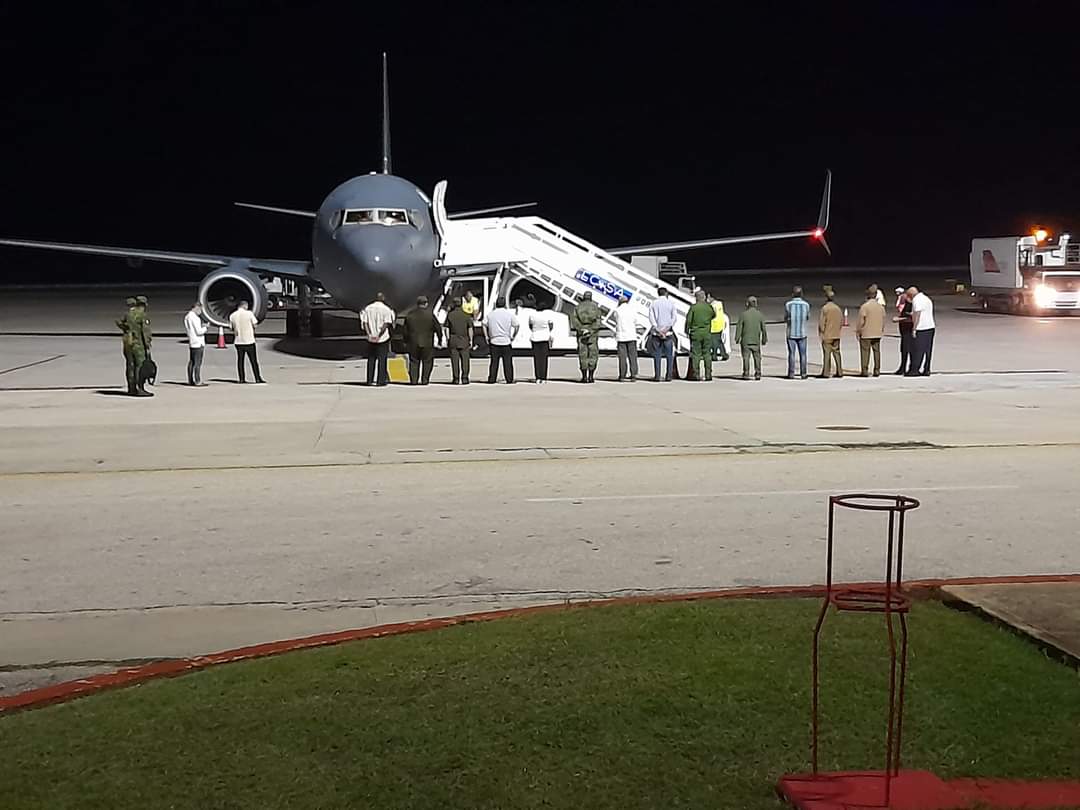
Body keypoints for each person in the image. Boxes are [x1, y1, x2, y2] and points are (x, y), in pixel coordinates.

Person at [117, 295, 153, 396]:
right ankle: (140, 388)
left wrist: (126, 329)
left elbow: (119, 322)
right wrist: (147, 344)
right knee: (140, 366)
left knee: (130, 366)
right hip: (138, 345)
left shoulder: (128, 315)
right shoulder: (142, 315)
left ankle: (131, 388)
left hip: (128, 344)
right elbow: (145, 332)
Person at [403, 296, 441, 385]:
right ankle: (425, 380)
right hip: (427, 342)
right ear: (426, 304)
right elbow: (438, 328)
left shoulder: (410, 315)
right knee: (427, 361)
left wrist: (405, 341)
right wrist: (440, 338)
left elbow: (405, 330)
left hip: (413, 342)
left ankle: (414, 380)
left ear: (417, 304)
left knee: (414, 361)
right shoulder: (430, 315)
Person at [361, 292, 396, 386]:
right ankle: (380, 381)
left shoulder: (368, 308)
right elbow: (386, 324)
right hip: (382, 338)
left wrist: (369, 334)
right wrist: (379, 335)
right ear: (383, 299)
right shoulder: (386, 309)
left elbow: (365, 323)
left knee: (371, 359)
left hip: (371, 338)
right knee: (382, 360)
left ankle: (369, 380)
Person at [570, 290, 602, 383]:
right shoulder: (596, 307)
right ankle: (591, 376)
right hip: (593, 334)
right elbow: (598, 321)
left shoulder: (577, 307)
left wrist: (581, 329)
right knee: (593, 354)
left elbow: (574, 321)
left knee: (582, 354)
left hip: (581, 334)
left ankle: (584, 376)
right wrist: (591, 330)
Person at [484, 296, 519, 383]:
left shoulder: (490, 314)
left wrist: (486, 336)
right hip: (506, 341)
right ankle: (509, 379)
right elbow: (517, 325)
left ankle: (492, 379)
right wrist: (513, 336)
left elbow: (484, 324)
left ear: (496, 304)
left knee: (494, 362)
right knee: (507, 362)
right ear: (504, 304)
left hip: (494, 341)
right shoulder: (509, 314)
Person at [229, 300, 264, 384]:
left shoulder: (232, 315)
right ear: (245, 306)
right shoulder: (249, 314)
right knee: (253, 361)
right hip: (249, 340)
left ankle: (241, 378)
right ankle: (257, 378)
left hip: (238, 341)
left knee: (240, 361)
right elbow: (255, 324)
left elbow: (231, 328)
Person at [734, 296, 767, 380]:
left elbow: (739, 327)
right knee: (757, 358)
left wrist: (737, 338)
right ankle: (758, 373)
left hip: (746, 341)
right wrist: (764, 339)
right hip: (756, 340)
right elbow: (763, 328)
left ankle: (746, 373)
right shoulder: (759, 315)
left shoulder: (743, 315)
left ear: (747, 304)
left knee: (746, 358)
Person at [648, 287, 677, 382]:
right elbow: (674, 318)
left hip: (656, 334)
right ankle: (668, 376)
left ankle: (657, 376)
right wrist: (666, 329)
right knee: (669, 356)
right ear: (666, 293)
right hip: (668, 333)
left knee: (657, 356)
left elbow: (652, 319)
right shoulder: (671, 303)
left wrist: (658, 330)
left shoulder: (653, 303)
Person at [685, 290, 714, 381]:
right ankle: (708, 374)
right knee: (707, 354)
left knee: (696, 355)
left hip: (695, 333)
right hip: (706, 333)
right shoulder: (709, 307)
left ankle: (696, 374)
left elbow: (689, 320)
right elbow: (713, 315)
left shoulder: (693, 308)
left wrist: (687, 330)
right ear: (704, 297)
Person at [906, 286, 936, 376]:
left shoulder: (916, 300)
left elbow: (917, 314)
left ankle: (914, 370)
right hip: (930, 326)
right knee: (927, 350)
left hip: (921, 328)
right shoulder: (926, 298)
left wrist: (914, 328)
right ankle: (927, 369)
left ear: (911, 295)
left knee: (917, 350)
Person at [857, 285, 886, 377]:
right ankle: (877, 370)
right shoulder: (881, 307)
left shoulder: (865, 307)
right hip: (877, 333)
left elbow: (861, 321)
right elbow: (883, 320)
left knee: (865, 352)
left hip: (866, 333)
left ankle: (865, 370)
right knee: (877, 352)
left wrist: (858, 331)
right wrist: (881, 330)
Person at [444, 297, 473, 384]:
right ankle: (465, 378)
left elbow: (446, 328)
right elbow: (470, 329)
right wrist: (471, 339)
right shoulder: (466, 315)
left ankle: (456, 378)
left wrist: (448, 338)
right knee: (465, 360)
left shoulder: (450, 315)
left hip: (453, 340)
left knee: (454, 361)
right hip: (464, 340)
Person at [784, 286, 811, 379]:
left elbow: (786, 317)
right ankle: (803, 373)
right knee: (803, 354)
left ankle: (791, 373)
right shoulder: (806, 305)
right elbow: (807, 317)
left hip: (791, 333)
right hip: (802, 333)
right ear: (801, 294)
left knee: (791, 354)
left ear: (793, 294)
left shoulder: (788, 305)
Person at [818, 292, 843, 379]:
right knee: (837, 353)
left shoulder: (825, 308)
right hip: (836, 334)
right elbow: (841, 321)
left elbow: (822, 323)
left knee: (827, 354)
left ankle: (826, 372)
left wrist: (821, 332)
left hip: (827, 334)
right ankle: (839, 371)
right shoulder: (838, 308)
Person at [614, 293, 638, 381]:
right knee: (633, 357)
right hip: (631, 335)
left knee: (622, 357)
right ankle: (633, 375)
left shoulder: (617, 310)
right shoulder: (632, 309)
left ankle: (622, 375)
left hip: (621, 336)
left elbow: (616, 320)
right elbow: (635, 320)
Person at [528, 303, 554, 383]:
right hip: (545, 338)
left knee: (537, 359)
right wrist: (547, 330)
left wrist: (535, 330)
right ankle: (544, 377)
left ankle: (538, 377)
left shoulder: (532, 315)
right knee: (544, 359)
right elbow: (551, 325)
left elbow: (530, 325)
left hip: (535, 337)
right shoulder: (547, 314)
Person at [183, 302, 208, 386]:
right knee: (198, 363)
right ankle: (197, 380)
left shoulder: (187, 317)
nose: (201, 312)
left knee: (192, 362)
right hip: (198, 342)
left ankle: (190, 379)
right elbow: (199, 331)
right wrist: (205, 327)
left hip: (192, 342)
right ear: (197, 308)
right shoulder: (195, 318)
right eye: (200, 310)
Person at [893, 286, 914, 375]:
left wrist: (899, 319)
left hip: (908, 328)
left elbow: (911, 317)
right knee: (904, 349)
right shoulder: (906, 303)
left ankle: (908, 367)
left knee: (908, 348)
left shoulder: (911, 305)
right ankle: (903, 366)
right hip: (904, 329)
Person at [708, 293, 729, 361]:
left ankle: (714, 356)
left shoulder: (712, 306)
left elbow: (712, 315)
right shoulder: (719, 304)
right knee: (719, 341)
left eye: (708, 297)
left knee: (713, 342)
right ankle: (724, 355)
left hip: (714, 326)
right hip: (720, 324)